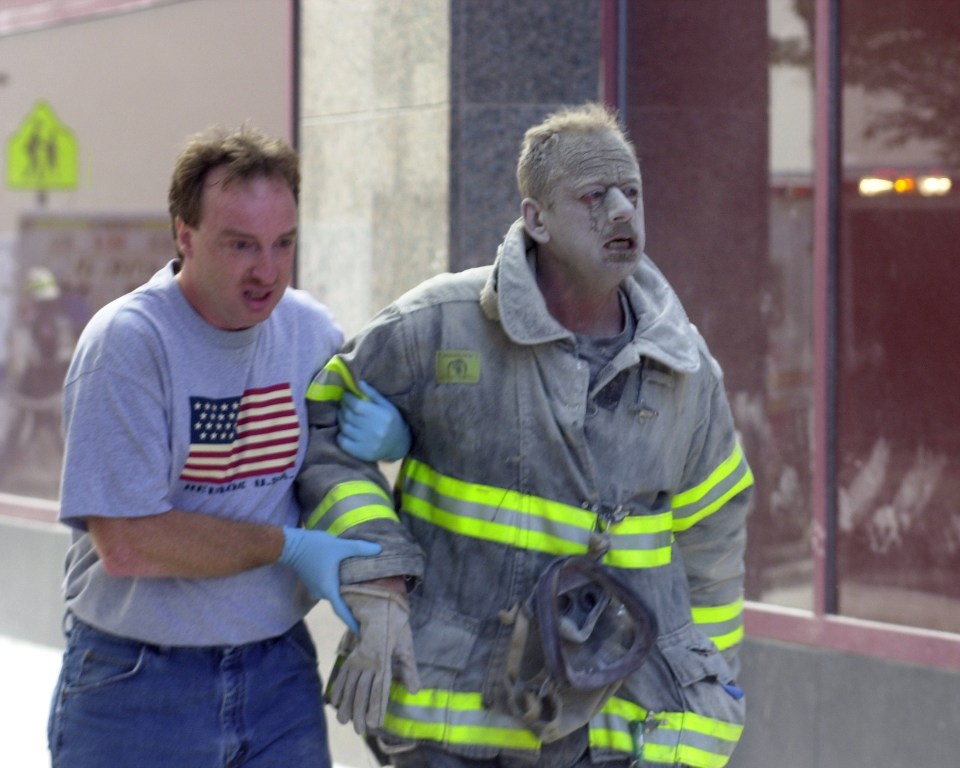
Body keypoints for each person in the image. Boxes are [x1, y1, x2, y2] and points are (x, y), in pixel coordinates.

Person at [296, 103, 754, 768]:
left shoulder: (686, 372)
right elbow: (323, 429)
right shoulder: (439, 326)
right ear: (536, 219)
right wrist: (380, 583)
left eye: (632, 193)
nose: (623, 212)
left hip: (611, 733)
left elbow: (713, 551)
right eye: (595, 196)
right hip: (449, 727)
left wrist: (707, 710)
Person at [47, 125, 411, 768]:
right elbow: (130, 544)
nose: (266, 271)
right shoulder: (129, 343)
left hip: (278, 670)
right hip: (137, 685)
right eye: (240, 244)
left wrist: (403, 440)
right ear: (184, 236)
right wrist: (288, 546)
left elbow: (339, 478)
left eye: (283, 243)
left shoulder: (310, 333)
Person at [0, 267, 74, 492]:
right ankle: (77, 481)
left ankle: (2, 474)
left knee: (21, 432)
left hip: (34, 392)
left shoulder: (37, 323)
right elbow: (66, 356)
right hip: (49, 391)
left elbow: (27, 359)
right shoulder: (61, 320)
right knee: (55, 436)